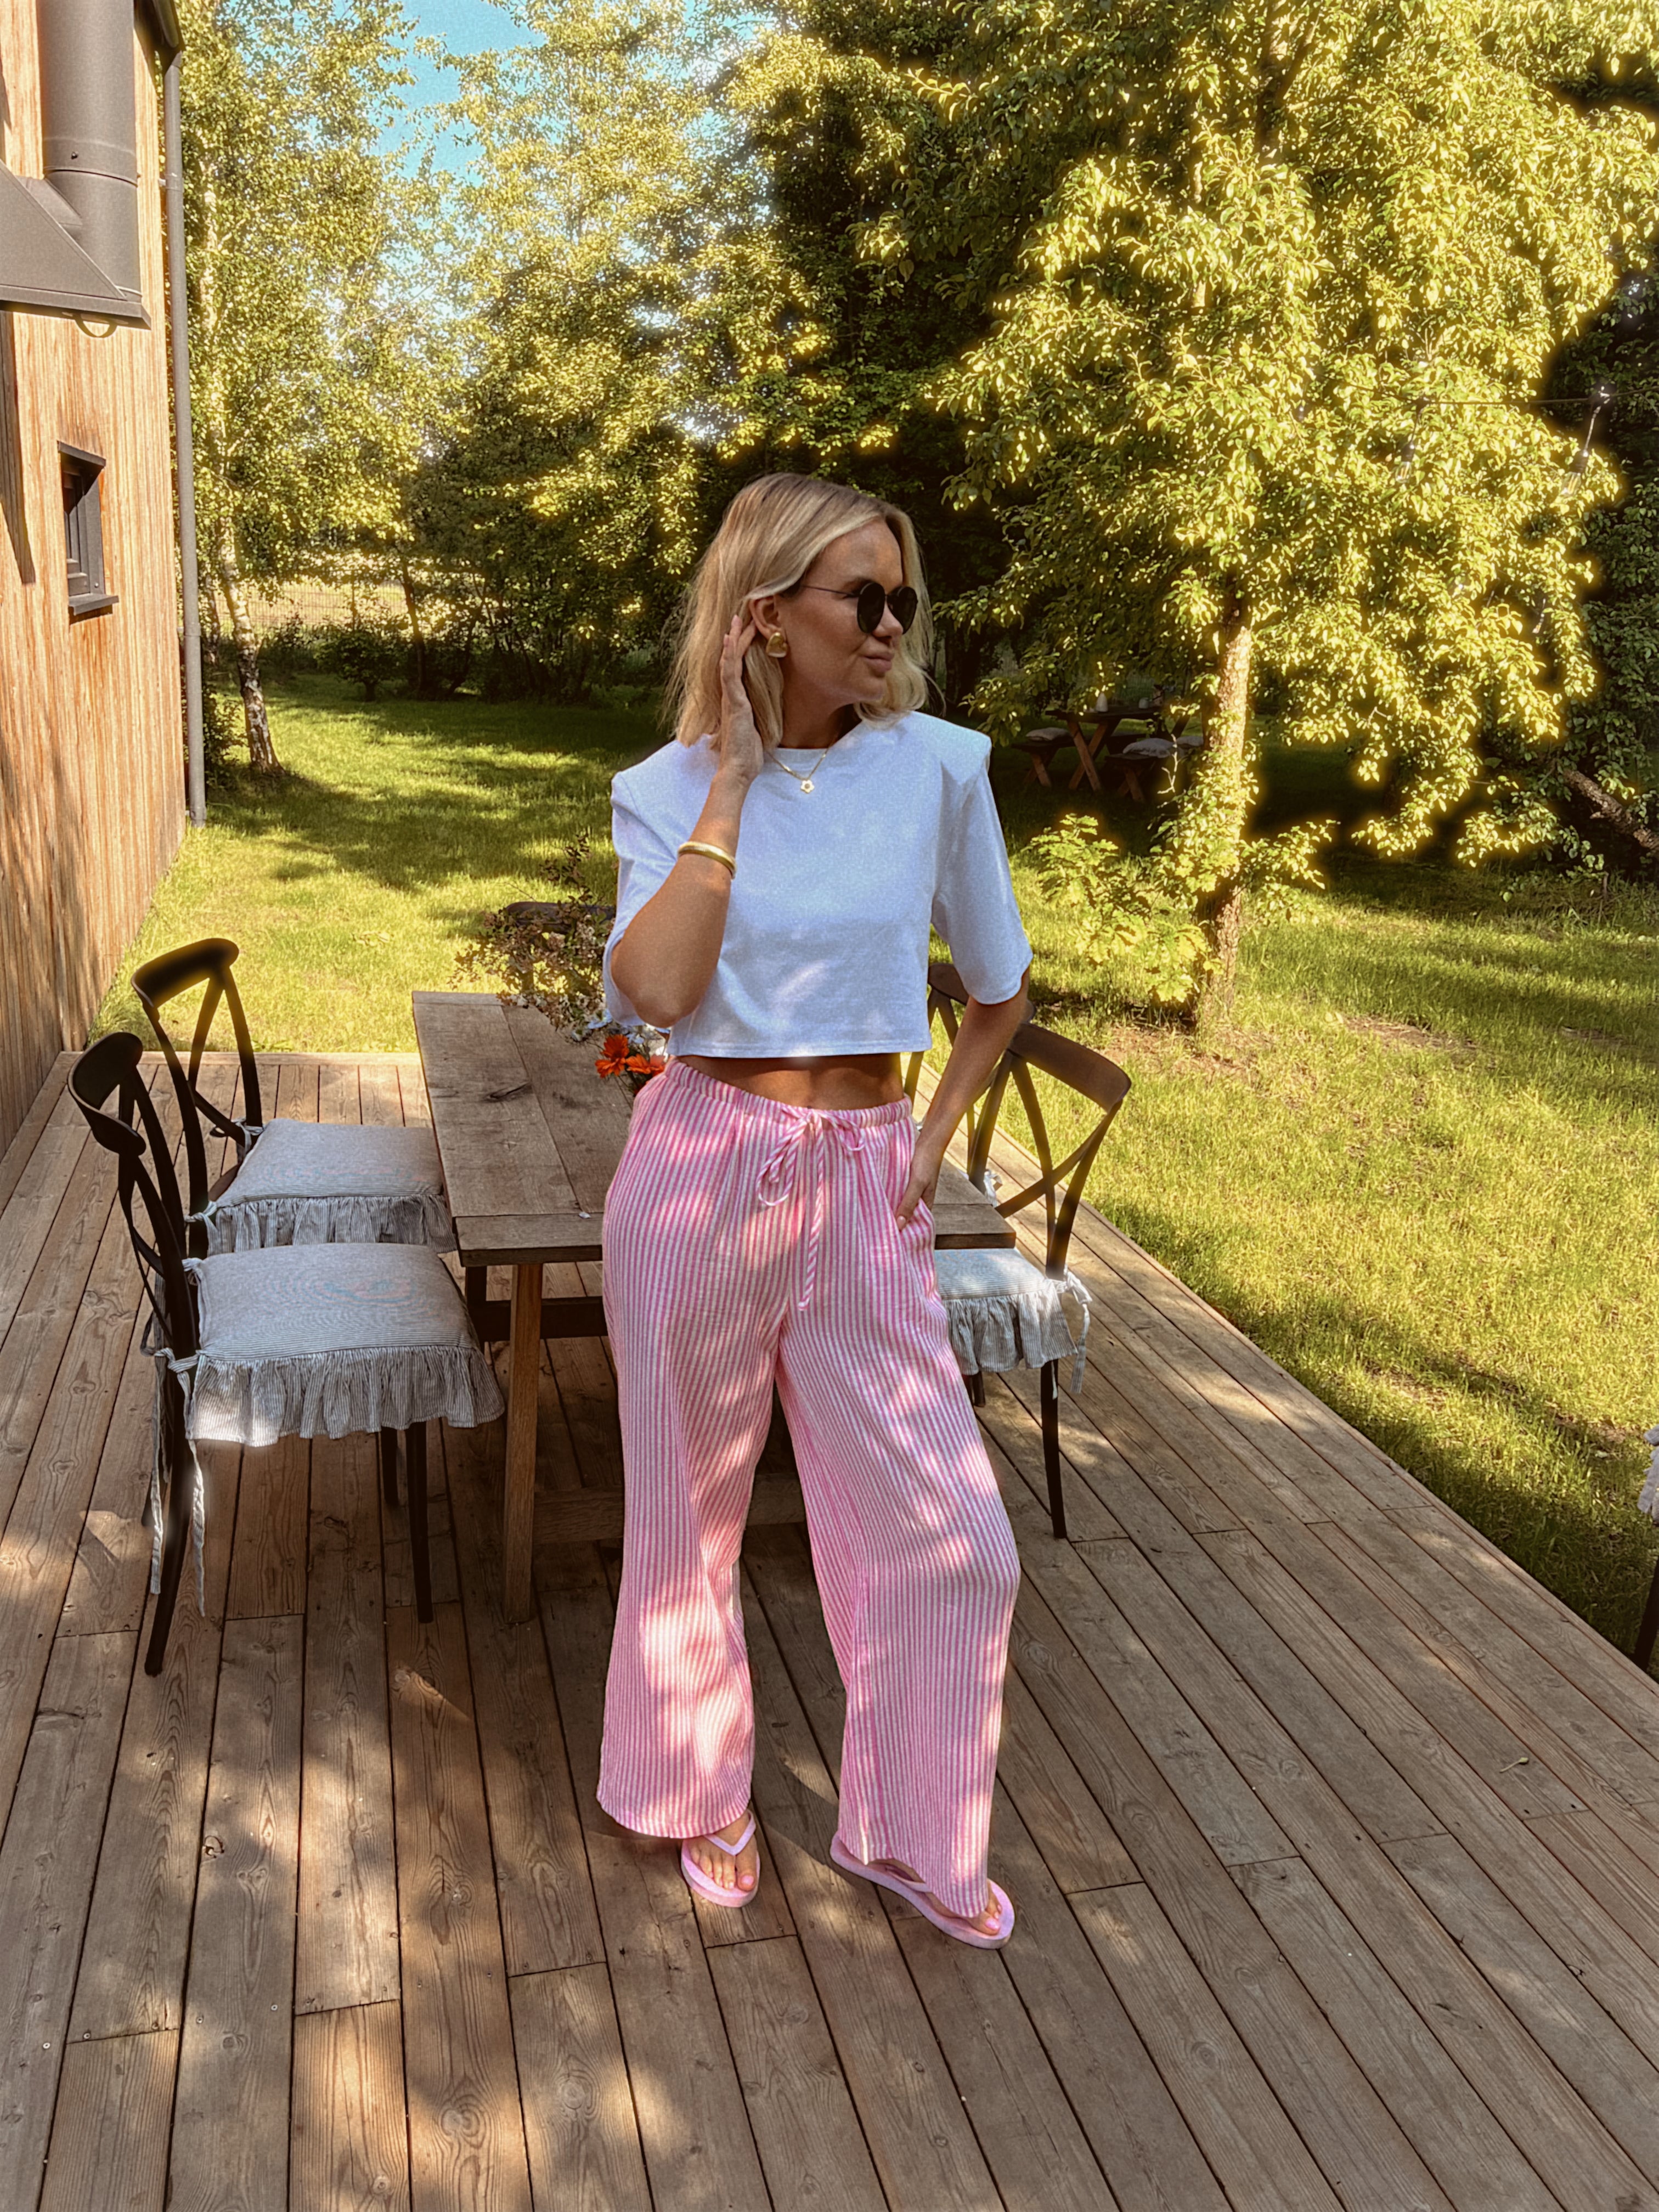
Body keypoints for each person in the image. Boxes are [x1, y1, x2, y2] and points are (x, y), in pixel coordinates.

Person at [599, 473, 1031, 1947]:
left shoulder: (941, 772)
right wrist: (729, 782)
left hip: (862, 1178)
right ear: (768, 614)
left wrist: (931, 1141)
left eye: (903, 598)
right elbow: (657, 997)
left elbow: (998, 990)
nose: (894, 624)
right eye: (865, 597)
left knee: (953, 1537)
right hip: (701, 1164)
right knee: (686, 1520)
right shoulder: (664, 790)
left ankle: (914, 1830)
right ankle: (698, 1791)